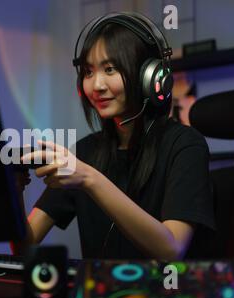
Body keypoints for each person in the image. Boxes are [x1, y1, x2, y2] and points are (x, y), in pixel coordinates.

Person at [12, 12, 215, 261]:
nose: (96, 85)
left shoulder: (184, 145)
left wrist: (89, 178)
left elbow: (171, 249)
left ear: (149, 78)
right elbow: (25, 246)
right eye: (88, 72)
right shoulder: (85, 152)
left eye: (110, 69)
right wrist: (13, 191)